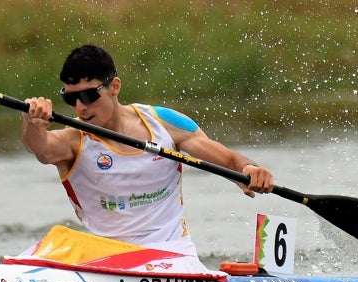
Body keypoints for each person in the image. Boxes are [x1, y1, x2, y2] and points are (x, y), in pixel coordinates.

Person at [21, 44, 274, 261]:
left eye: (89, 95)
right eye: (71, 98)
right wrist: (32, 124)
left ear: (115, 87)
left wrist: (249, 170)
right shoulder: (74, 140)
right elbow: (41, 149)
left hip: (172, 255)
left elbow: (228, 160)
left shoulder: (164, 123)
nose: (80, 107)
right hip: (107, 257)